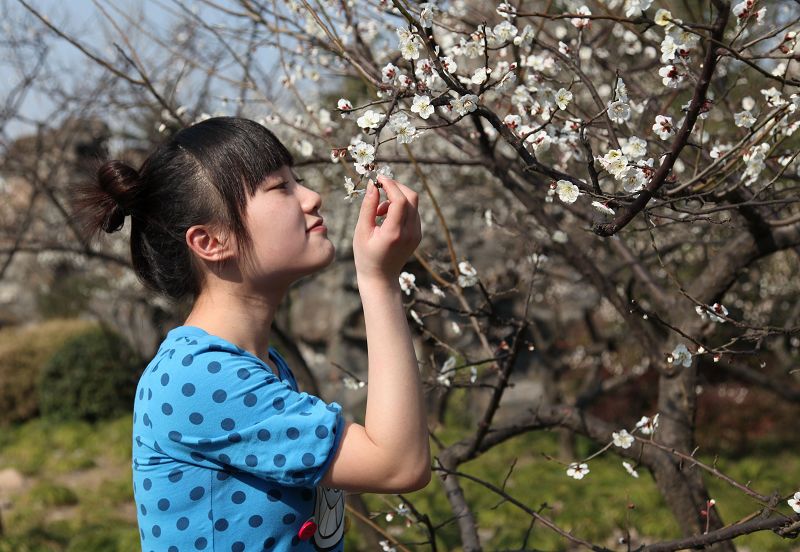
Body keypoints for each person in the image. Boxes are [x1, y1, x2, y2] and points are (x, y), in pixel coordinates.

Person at [70, 116, 430, 551]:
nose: (313, 198)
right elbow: (397, 465)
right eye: (280, 187)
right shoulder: (200, 380)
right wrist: (379, 281)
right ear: (210, 241)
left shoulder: (248, 366)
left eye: (298, 180)